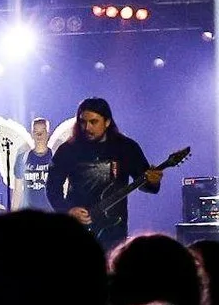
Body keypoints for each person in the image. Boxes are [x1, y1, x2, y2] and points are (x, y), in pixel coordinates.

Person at [46, 96, 164, 247]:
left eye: (93, 122)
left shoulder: (126, 147)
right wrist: (67, 210)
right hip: (76, 231)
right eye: (83, 122)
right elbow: (52, 188)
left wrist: (154, 182)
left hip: (113, 232)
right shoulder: (67, 150)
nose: (87, 127)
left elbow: (146, 184)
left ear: (107, 122)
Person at [15, 116, 53, 212]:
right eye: (36, 131)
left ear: (48, 133)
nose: (39, 135)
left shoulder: (57, 157)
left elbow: (64, 188)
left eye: (43, 131)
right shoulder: (22, 158)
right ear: (32, 134)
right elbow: (17, 192)